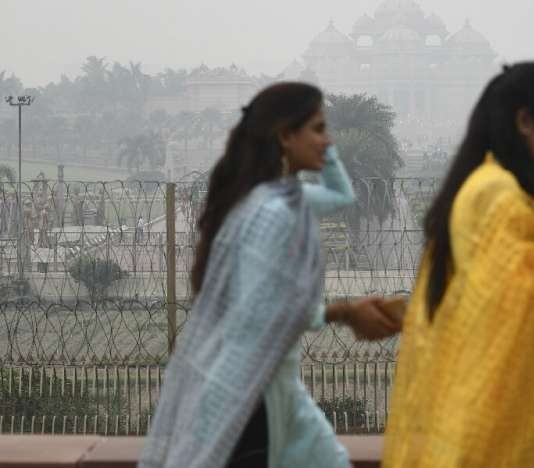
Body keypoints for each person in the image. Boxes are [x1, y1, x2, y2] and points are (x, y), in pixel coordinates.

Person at [138, 82, 402, 468]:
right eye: (317, 129)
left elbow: (342, 196)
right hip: (250, 393)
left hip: (270, 384)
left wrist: (324, 151)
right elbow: (261, 313)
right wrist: (345, 312)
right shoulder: (274, 212)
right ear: (285, 135)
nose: (328, 140)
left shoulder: (278, 196)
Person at [382, 62, 534, 468]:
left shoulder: (489, 182)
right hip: (487, 396)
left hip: (483, 385)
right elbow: (514, 289)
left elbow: (520, 278)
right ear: (525, 121)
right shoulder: (498, 192)